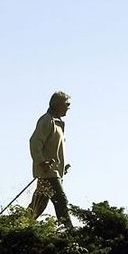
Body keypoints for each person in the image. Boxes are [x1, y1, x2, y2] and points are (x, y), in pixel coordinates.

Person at [27, 90, 73, 228]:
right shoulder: (47, 120)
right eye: (67, 104)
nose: (68, 107)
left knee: (39, 204)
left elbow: (53, 148)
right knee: (60, 200)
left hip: (54, 171)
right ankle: (68, 230)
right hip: (48, 172)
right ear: (57, 105)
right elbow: (34, 142)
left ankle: (19, 226)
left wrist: (62, 166)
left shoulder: (59, 123)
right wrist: (41, 162)